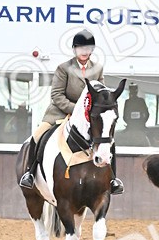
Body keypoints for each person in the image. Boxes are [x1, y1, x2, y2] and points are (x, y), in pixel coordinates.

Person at [19, 29, 124, 194]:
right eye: (81, 48)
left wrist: (93, 110)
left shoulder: (97, 69)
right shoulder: (64, 68)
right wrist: (77, 110)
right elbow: (56, 95)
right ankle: (30, 173)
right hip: (60, 112)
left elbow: (101, 93)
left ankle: (113, 180)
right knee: (38, 135)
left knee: (108, 141)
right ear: (75, 49)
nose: (84, 52)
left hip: (88, 116)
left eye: (88, 48)